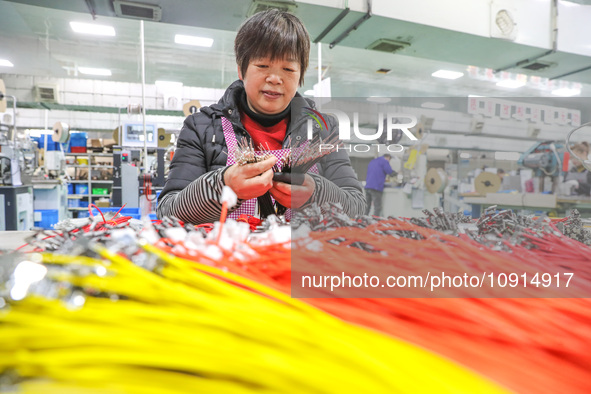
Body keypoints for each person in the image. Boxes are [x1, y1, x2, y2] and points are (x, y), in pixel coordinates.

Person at [157, 9, 365, 224]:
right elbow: (168, 212)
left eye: (288, 68)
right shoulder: (201, 127)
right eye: (262, 65)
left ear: (301, 75)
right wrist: (223, 185)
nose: (275, 78)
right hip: (226, 255)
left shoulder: (324, 129)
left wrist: (318, 194)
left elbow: (357, 206)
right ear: (241, 70)